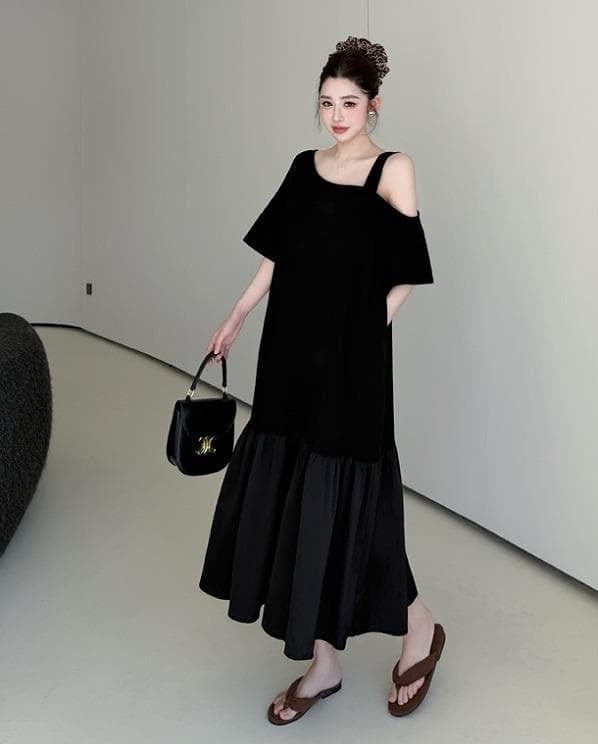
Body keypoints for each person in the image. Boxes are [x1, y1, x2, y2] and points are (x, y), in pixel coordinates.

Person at [198, 36, 445, 724]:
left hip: (352, 361)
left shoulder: (392, 169)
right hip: (288, 354)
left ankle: (418, 626)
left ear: (373, 105)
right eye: (327, 103)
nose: (336, 116)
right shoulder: (303, 167)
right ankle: (324, 663)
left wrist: (365, 334)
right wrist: (237, 317)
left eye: (349, 103)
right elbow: (276, 257)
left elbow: (405, 273)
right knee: (297, 498)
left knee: (348, 500)